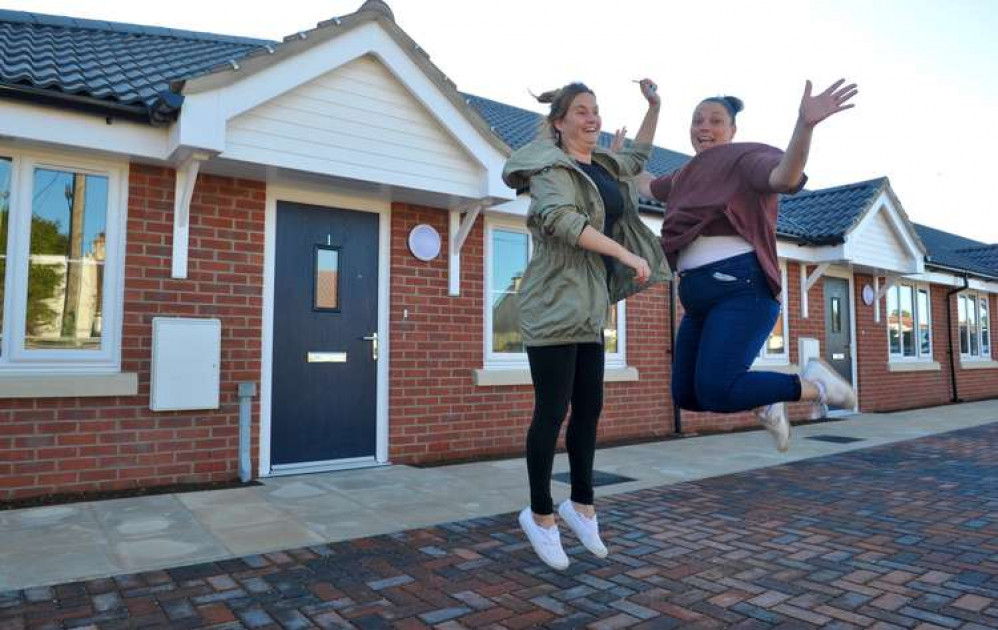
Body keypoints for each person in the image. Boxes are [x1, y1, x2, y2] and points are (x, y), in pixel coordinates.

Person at [633, 79, 859, 453]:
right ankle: (765, 399)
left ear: (732, 130)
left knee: (718, 387)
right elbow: (640, 180)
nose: (704, 127)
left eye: (715, 120)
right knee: (687, 393)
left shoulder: (744, 159)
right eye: (697, 120)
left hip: (742, 289)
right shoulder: (685, 175)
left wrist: (804, 126)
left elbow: (784, 176)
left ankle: (816, 385)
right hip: (698, 299)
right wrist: (651, 112)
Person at [502, 79, 670, 570]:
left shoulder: (603, 166)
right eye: (581, 111)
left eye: (595, 110)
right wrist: (622, 251)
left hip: (590, 306)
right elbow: (561, 221)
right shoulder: (550, 167)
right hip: (554, 302)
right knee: (551, 412)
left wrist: (654, 107)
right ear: (559, 122)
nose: (592, 118)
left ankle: (582, 505)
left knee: (590, 408)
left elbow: (637, 157)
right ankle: (539, 514)